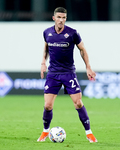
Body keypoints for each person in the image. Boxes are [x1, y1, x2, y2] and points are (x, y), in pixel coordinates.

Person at [37, 7, 97, 143]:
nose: (61, 20)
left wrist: (88, 67)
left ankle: (89, 133)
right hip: (53, 73)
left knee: (78, 103)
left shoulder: (72, 33)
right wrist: (42, 63)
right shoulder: (47, 32)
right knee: (47, 106)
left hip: (68, 73)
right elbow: (46, 48)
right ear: (54, 18)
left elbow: (82, 49)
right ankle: (45, 131)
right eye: (59, 17)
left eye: (64, 17)